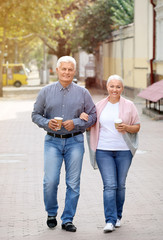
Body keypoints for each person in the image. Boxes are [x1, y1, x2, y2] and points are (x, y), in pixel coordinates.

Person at [31, 56, 96, 232]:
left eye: (70, 69)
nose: (66, 72)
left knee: (73, 183)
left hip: (75, 142)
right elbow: (35, 114)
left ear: (74, 71)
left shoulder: (83, 93)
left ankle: (68, 219)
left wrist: (76, 122)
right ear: (57, 70)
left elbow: (93, 116)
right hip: (52, 141)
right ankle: (51, 213)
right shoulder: (45, 91)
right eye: (63, 69)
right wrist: (46, 123)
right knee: (50, 181)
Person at [80, 74, 140, 233]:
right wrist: (84, 119)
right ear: (107, 87)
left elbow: (137, 127)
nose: (115, 89)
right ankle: (109, 220)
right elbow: (89, 126)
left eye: (118, 87)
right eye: (112, 86)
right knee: (110, 185)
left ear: (122, 88)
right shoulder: (98, 106)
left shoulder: (129, 105)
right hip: (103, 150)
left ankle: (118, 216)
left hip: (124, 151)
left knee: (120, 185)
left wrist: (126, 127)